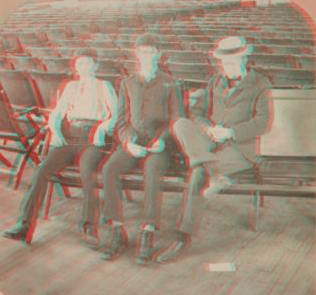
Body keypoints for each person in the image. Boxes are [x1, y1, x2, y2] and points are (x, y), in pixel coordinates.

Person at [153, 36, 272, 263]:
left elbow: (263, 122)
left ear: (242, 58)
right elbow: (196, 113)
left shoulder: (259, 84)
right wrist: (208, 128)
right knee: (179, 123)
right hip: (210, 141)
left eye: (229, 61)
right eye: (221, 62)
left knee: (197, 173)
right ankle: (216, 176)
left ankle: (182, 238)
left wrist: (229, 132)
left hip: (238, 148)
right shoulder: (215, 81)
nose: (224, 67)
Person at [1, 48, 117, 245]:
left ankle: (89, 226)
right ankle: (24, 224)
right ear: (75, 66)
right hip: (67, 136)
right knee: (40, 170)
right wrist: (55, 131)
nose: (83, 66)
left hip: (91, 136)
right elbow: (57, 113)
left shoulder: (103, 86)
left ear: (94, 65)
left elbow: (115, 114)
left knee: (86, 171)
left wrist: (102, 128)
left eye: (88, 62)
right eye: (79, 63)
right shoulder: (70, 86)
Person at [91, 33, 183, 266]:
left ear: (158, 54)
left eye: (150, 51)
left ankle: (147, 230)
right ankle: (116, 230)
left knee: (151, 172)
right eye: (141, 51)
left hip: (158, 145)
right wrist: (127, 141)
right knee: (109, 168)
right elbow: (120, 121)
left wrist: (162, 139)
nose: (145, 56)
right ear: (135, 54)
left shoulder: (170, 82)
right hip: (132, 142)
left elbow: (175, 119)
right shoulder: (126, 82)